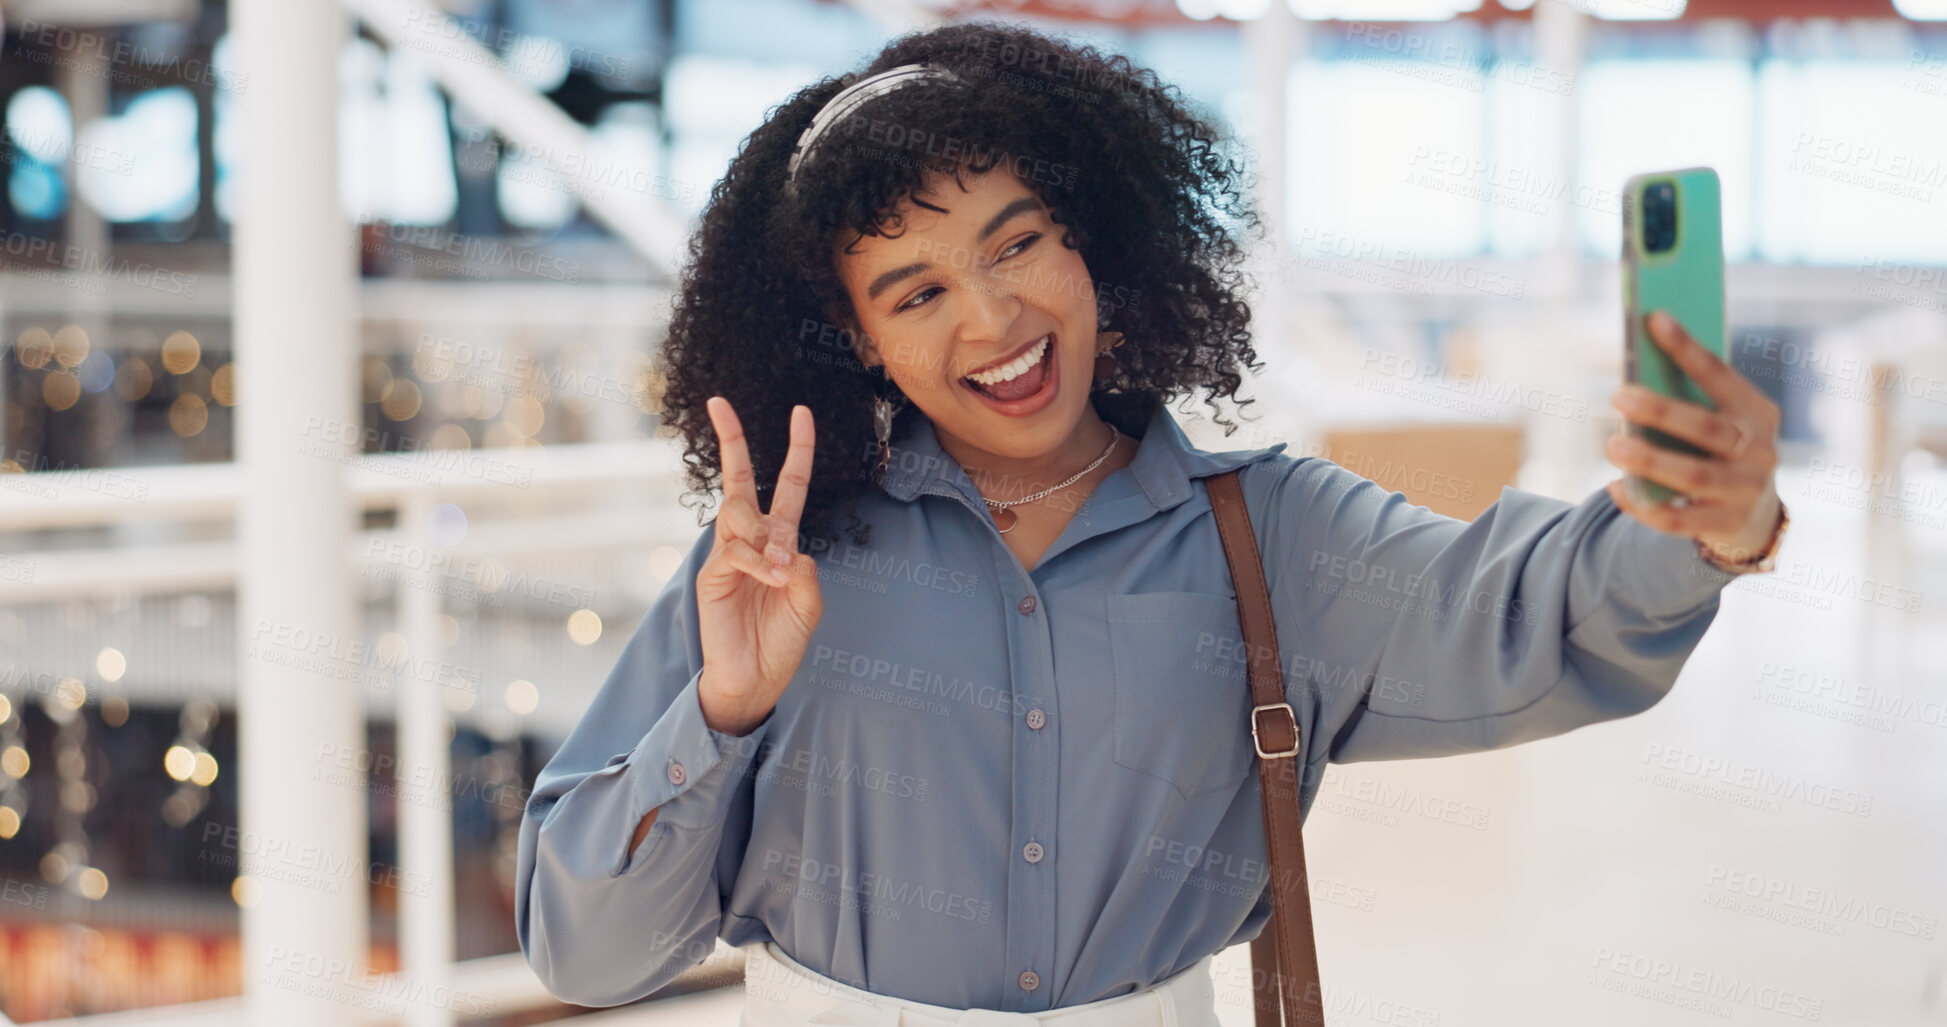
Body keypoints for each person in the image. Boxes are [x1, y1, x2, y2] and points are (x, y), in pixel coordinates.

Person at [513, 21, 1787, 1025]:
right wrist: (720, 714)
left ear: (1091, 241)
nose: (993, 320)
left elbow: (1529, 605)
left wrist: (1703, 519)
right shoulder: (776, 574)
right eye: (917, 291)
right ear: (858, 340)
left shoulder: (1269, 537)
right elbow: (587, 951)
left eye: (1018, 245)